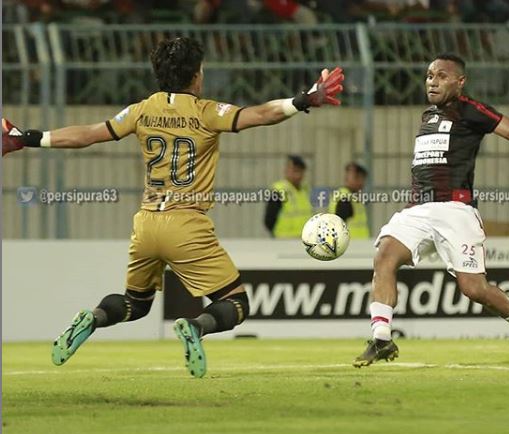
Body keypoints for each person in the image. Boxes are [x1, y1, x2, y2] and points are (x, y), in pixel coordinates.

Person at [2, 37, 344, 378]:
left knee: (135, 303)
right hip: (186, 225)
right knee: (236, 303)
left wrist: (26, 137)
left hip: (146, 223)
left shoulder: (141, 110)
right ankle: (195, 327)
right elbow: (260, 115)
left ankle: (94, 317)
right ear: (196, 76)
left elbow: (88, 134)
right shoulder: (206, 112)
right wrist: (304, 99)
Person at [353, 53, 509, 368]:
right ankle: (382, 338)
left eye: (441, 76)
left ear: (460, 81)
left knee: (474, 289)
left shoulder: (471, 111)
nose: (432, 82)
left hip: (455, 210)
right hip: (418, 208)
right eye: (429, 76)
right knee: (384, 254)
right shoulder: (428, 115)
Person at [264, 154, 313, 238]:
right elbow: (269, 220)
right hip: (284, 240)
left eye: (300, 171)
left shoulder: (305, 190)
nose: (298, 175)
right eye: (294, 171)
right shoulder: (279, 190)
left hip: (305, 239)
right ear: (286, 171)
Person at [328, 161, 370, 238]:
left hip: (359, 244)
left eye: (362, 178)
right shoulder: (344, 198)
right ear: (347, 178)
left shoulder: (354, 197)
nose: (361, 182)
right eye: (357, 177)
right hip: (350, 245)